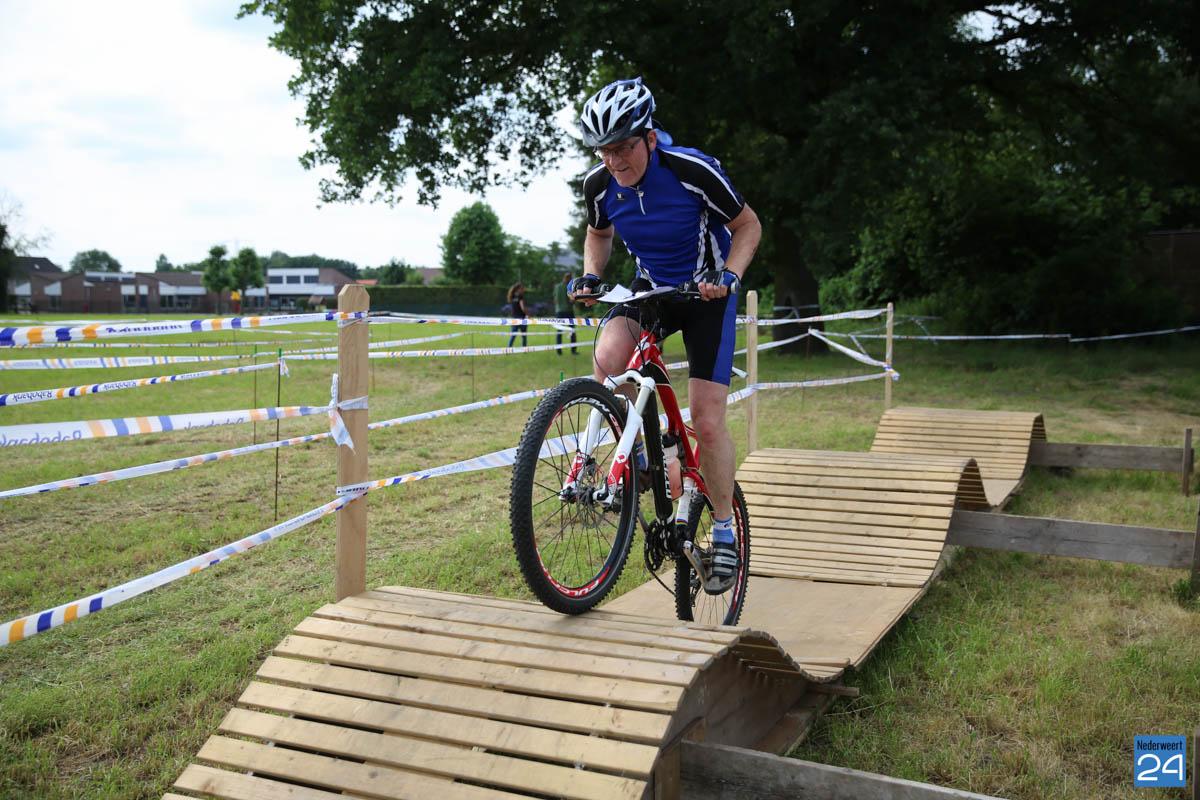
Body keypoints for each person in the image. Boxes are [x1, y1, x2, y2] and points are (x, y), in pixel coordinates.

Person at [570, 77, 761, 592]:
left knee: (706, 417)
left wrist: (729, 275)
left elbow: (749, 226)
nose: (614, 160)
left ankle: (725, 530)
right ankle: (644, 456)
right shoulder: (598, 185)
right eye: (604, 151)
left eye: (623, 147)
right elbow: (598, 232)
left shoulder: (692, 170)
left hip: (705, 296)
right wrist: (591, 274)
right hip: (651, 290)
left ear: (650, 138)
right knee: (609, 360)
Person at [553, 272, 578, 355]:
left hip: (559, 312)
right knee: (572, 330)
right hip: (568, 311)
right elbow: (572, 300)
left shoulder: (557, 287)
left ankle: (559, 351)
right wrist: (575, 304)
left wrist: (558, 307)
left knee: (559, 331)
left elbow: (555, 300)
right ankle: (573, 350)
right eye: (570, 278)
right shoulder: (570, 287)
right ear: (568, 278)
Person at [506, 282, 528, 348]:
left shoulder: (511, 296)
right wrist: (528, 314)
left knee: (513, 335)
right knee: (524, 336)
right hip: (521, 318)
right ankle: (524, 349)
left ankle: (508, 349)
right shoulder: (520, 297)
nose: (523, 290)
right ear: (518, 289)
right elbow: (523, 308)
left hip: (514, 317)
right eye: (522, 288)